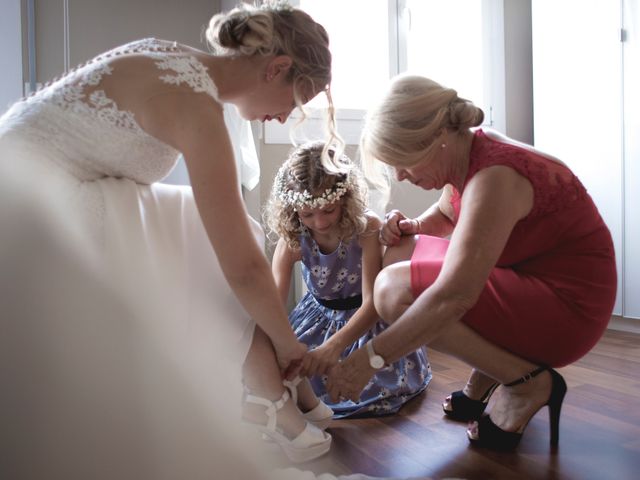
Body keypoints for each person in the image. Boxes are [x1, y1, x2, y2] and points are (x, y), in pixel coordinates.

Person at [0, 1, 337, 472]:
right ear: (276, 69)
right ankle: (271, 395)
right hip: (28, 208)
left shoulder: (172, 58)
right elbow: (242, 267)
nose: (287, 117)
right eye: (297, 100)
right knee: (216, 236)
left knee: (203, 221)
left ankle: (269, 398)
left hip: (27, 181)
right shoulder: (195, 107)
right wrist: (289, 346)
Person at [326, 74, 617, 450]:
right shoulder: (471, 149)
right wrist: (413, 226)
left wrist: (370, 359)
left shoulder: (496, 177)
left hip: (570, 307)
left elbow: (454, 296)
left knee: (393, 290)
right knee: (403, 252)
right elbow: (449, 211)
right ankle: (494, 367)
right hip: (530, 275)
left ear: (436, 140)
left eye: (403, 162)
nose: (400, 175)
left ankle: (526, 383)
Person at [265, 141, 431, 420]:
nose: (319, 222)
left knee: (369, 385)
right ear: (294, 211)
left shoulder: (366, 229)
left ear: (345, 197)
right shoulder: (293, 240)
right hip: (315, 320)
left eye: (328, 210)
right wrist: (280, 346)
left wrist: (333, 347)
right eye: (307, 214)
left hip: (362, 323)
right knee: (288, 374)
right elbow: (271, 306)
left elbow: (372, 304)